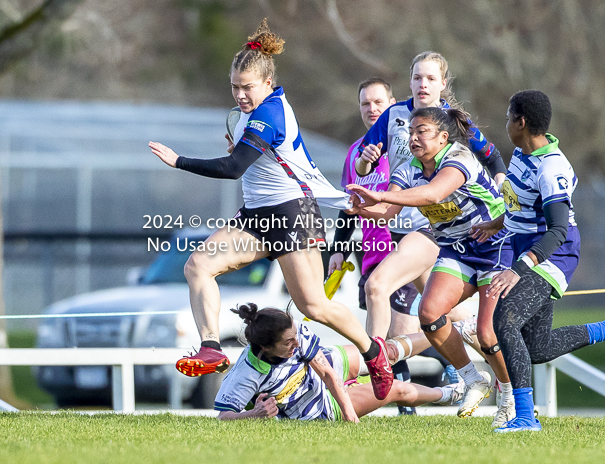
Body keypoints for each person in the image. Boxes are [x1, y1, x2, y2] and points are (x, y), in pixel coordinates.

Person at [148, 19, 394, 400]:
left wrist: (179, 161)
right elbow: (254, 158)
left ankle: (374, 352)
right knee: (197, 266)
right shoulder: (250, 112)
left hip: (293, 214)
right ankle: (212, 348)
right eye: (235, 87)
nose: (241, 95)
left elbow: (232, 169)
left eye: (248, 87)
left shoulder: (271, 112)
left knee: (313, 305)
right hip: (258, 215)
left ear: (267, 83)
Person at [351, 52, 507, 406]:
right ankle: (473, 372)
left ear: (443, 84)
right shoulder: (399, 133)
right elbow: (382, 197)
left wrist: (501, 186)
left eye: (430, 78)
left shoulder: (457, 141)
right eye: (417, 78)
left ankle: (379, 365)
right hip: (428, 235)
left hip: (466, 234)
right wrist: (364, 204)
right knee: (440, 317)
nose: (423, 84)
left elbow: (439, 190)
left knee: (381, 287)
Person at [470, 90, 605, 432]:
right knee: (536, 348)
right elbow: (521, 206)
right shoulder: (520, 154)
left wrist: (518, 269)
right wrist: (495, 223)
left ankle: (526, 417)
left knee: (504, 320)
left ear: (521, 121)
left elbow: (558, 229)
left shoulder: (552, 167)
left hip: (554, 255)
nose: (505, 123)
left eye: (507, 117)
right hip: (531, 253)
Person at [328, 77, 464, 415]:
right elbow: (350, 206)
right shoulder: (357, 154)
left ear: (393, 107)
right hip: (372, 255)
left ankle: (452, 372)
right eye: (365, 104)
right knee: (407, 330)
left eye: (378, 103)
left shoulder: (405, 149)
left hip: (407, 247)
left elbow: (402, 203)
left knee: (402, 331)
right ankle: (413, 398)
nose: (372, 109)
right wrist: (339, 249)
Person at [215, 303, 471, 422]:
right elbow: (223, 416)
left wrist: (351, 416)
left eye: (295, 337)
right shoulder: (245, 375)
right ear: (265, 347)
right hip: (317, 407)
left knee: (384, 352)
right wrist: (254, 414)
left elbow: (327, 374)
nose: (296, 345)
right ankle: (454, 393)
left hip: (325, 368)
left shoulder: (293, 334)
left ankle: (451, 329)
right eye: (287, 344)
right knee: (396, 389)